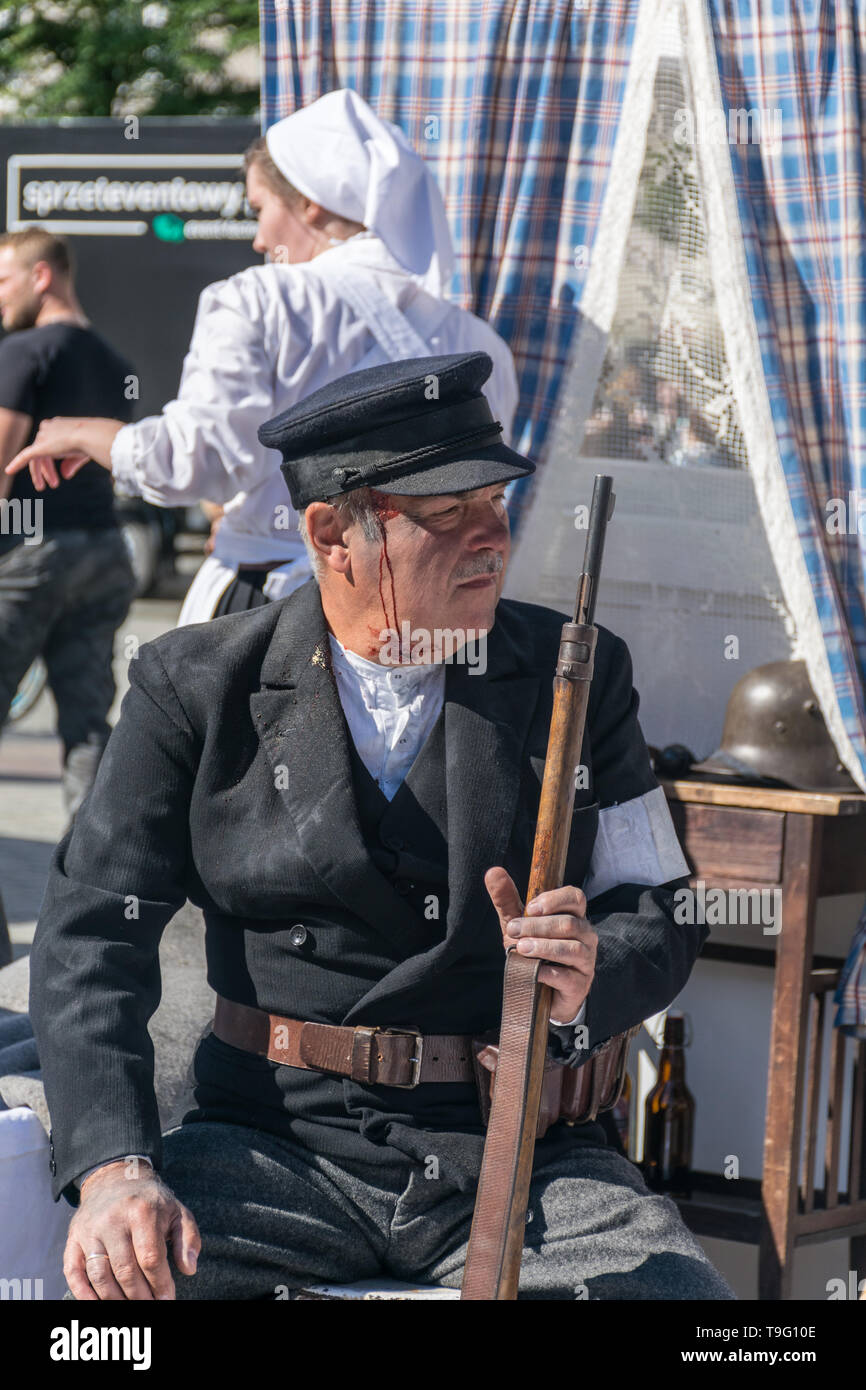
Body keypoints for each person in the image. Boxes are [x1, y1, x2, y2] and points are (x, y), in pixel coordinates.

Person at [30, 350, 734, 1301]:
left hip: (520, 1157)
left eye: (496, 505)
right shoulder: (194, 686)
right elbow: (90, 940)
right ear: (332, 534)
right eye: (449, 515)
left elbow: (657, 906)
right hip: (267, 1149)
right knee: (119, 1314)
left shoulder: (578, 673)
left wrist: (591, 973)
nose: (492, 539)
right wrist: (116, 1167)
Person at [5, 89, 518, 625]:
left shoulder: (259, 300)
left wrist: (94, 435)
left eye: (259, 209)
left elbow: (202, 459)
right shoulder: (478, 342)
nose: (257, 238)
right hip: (428, 615)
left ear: (310, 201)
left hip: (277, 611)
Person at [0, 228, 136, 819]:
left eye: (3, 281)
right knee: (87, 727)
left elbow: (2, 464)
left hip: (33, 554)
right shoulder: (114, 362)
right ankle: (93, 886)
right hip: (105, 549)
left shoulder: (22, 351)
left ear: (41, 275)